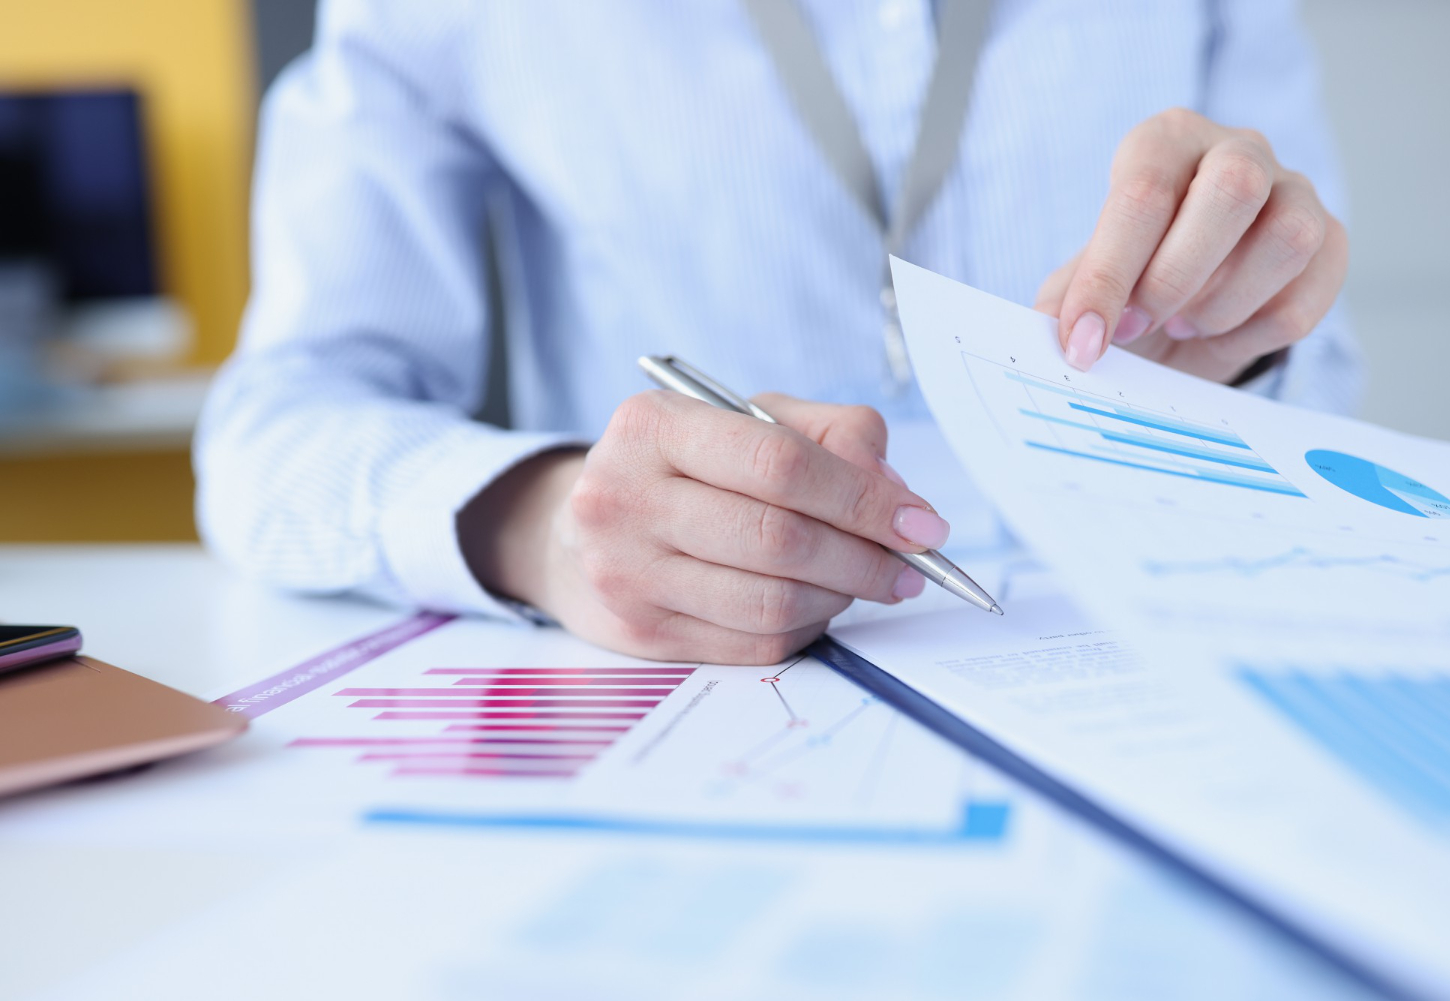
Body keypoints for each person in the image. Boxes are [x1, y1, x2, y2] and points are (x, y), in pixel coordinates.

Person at [196, 0, 1358, 665]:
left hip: (1137, 667)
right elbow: (273, 427)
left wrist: (1238, 347)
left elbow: (1334, 389)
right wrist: (546, 525)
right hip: (694, 707)